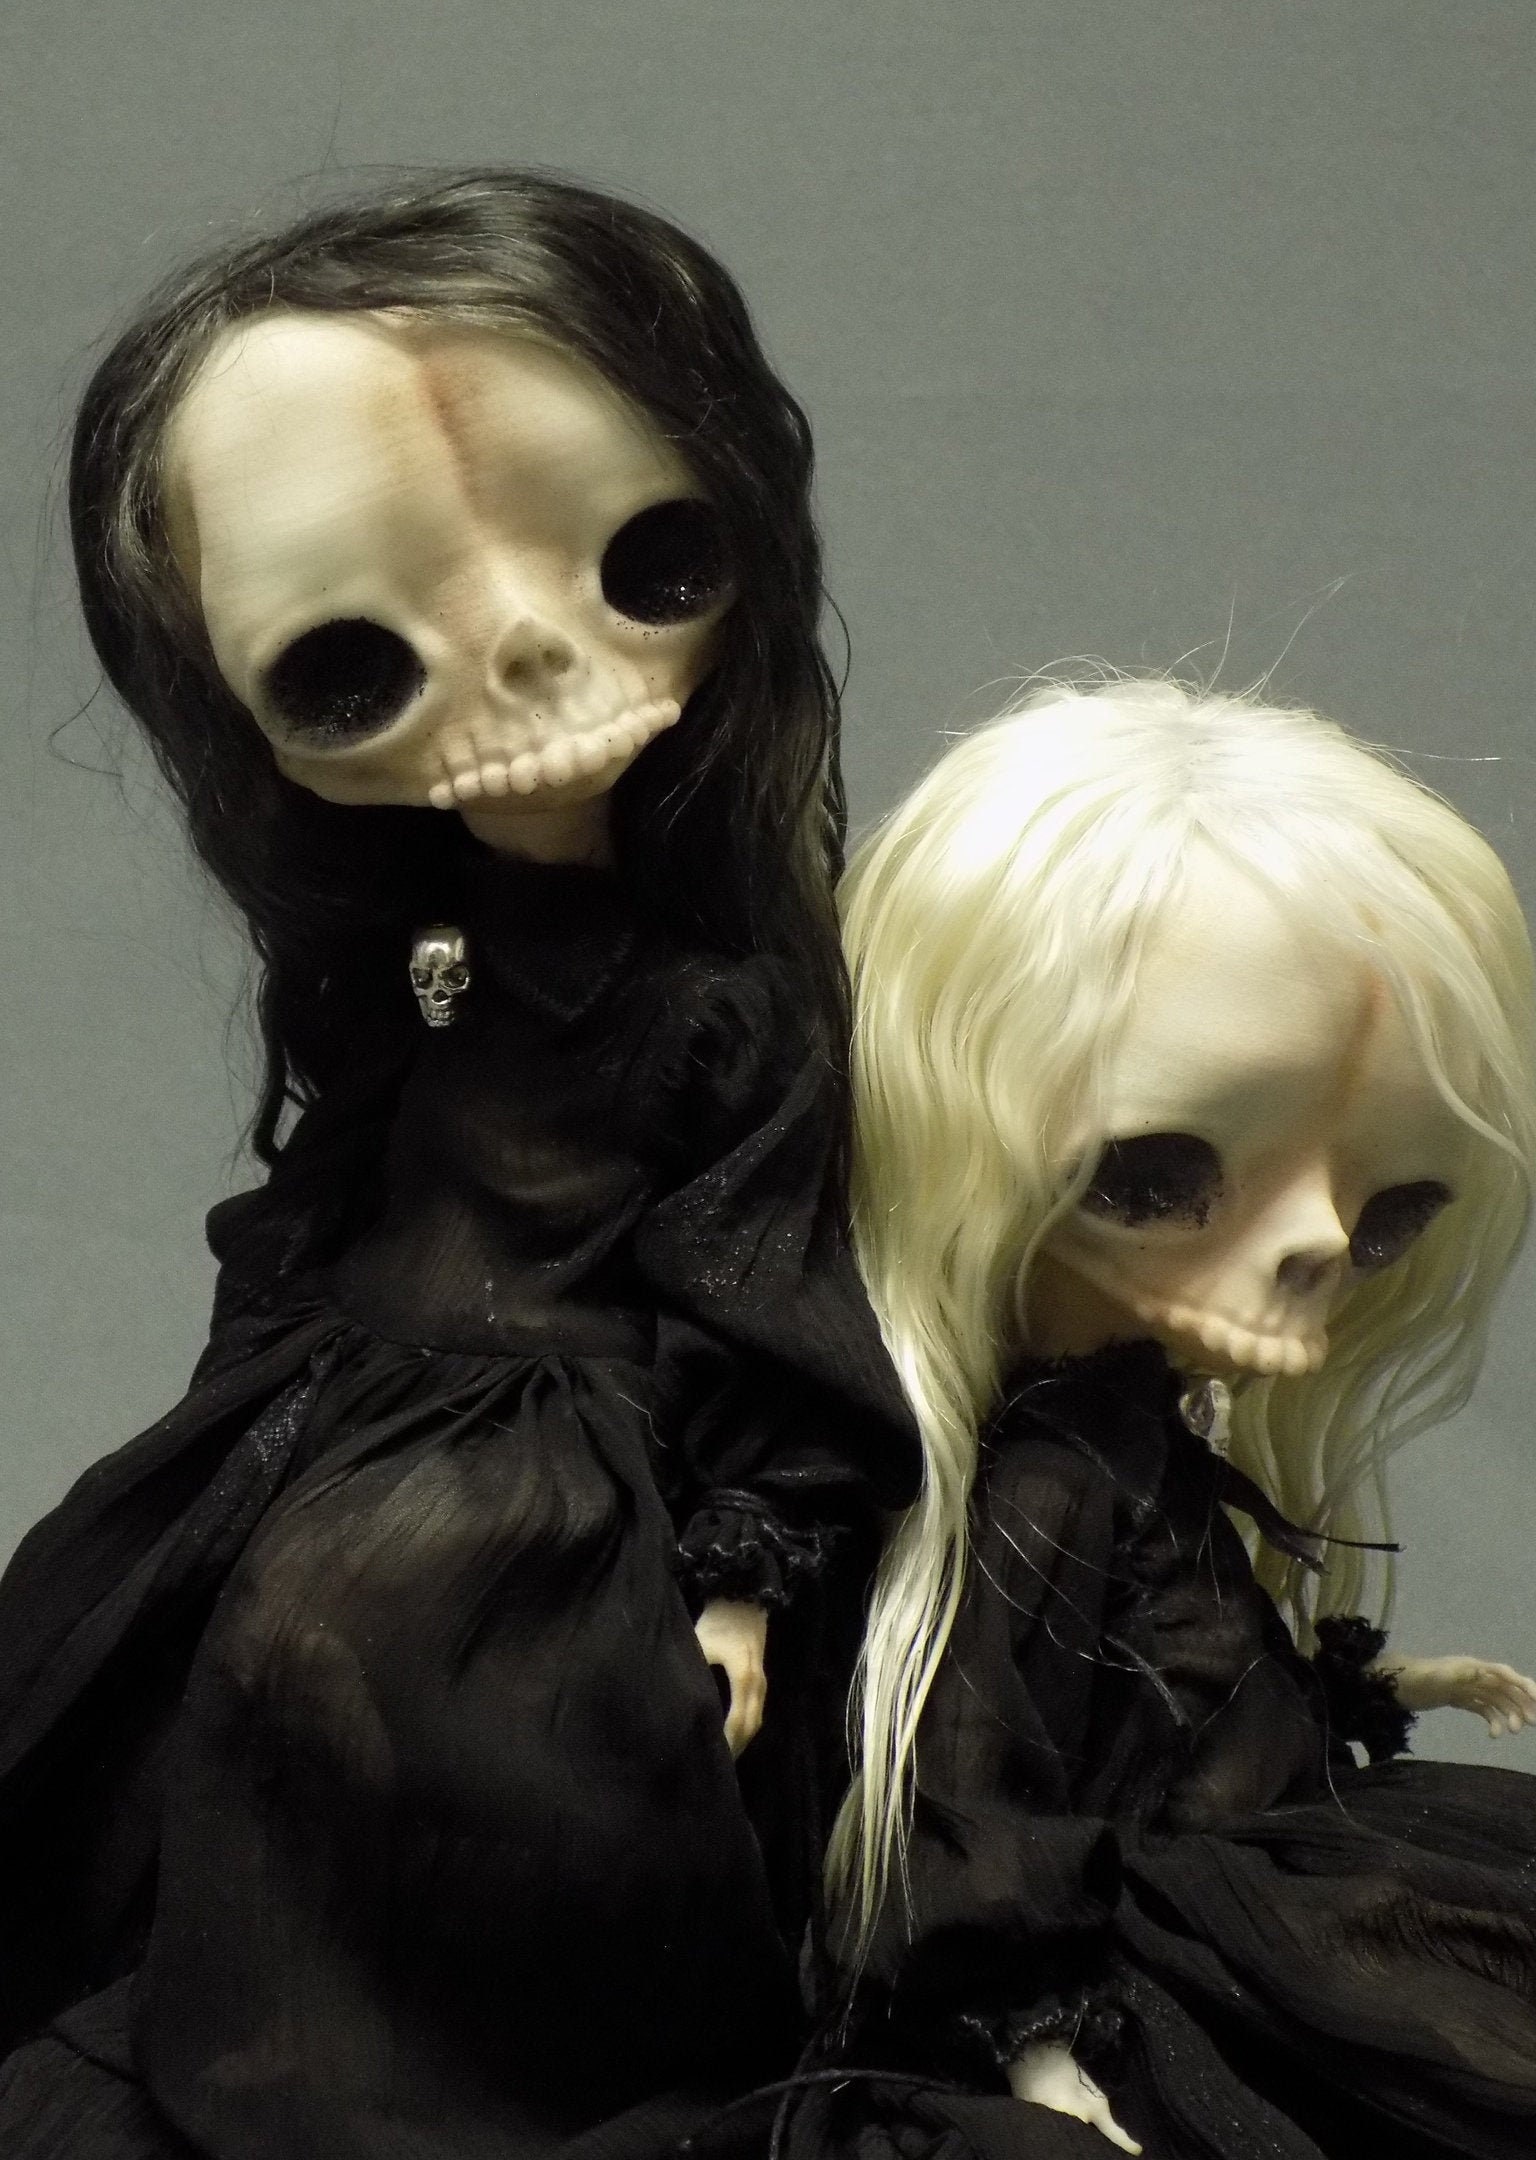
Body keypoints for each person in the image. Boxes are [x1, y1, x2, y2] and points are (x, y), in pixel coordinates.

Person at [0, 170, 914, 2159]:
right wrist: (239, 1418)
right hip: (348, 1381)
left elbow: (764, 1283)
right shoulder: (417, 943)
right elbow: (340, 1173)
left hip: (572, 1448)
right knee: (117, 1654)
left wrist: (744, 1588)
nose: (529, 667)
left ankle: (382, 2073)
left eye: (645, 558)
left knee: (415, 1691)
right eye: (354, 664)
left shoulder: (724, 995)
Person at [799, 678, 1536, 2159]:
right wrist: (1038, 2049)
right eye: (1162, 1173)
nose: (1321, 1245)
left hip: (1263, 1879)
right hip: (1159, 1955)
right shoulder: (1040, 1490)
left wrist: (1389, 1683)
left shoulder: (1143, 1438)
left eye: (1390, 1208)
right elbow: (971, 1798)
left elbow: (1195, 1670)